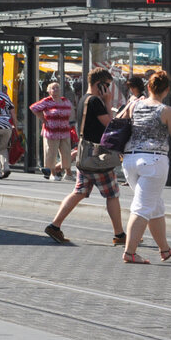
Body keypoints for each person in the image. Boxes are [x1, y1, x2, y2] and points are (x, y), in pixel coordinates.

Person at [44, 68, 125, 246]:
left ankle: (55, 225)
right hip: (98, 157)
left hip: (84, 155)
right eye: (108, 86)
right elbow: (109, 126)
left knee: (79, 192)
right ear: (100, 84)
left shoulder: (84, 99)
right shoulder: (96, 101)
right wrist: (108, 101)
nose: (109, 90)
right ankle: (119, 234)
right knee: (112, 194)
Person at [120, 71, 171, 264]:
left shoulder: (135, 104)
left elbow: (119, 120)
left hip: (129, 161)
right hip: (153, 162)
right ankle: (129, 252)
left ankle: (165, 250)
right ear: (167, 90)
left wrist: (131, 103)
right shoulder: (167, 111)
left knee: (154, 205)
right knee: (142, 207)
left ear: (148, 87)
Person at [30, 82, 74, 181]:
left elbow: (71, 112)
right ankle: (53, 173)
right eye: (53, 88)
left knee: (66, 152)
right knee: (51, 152)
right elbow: (34, 108)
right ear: (49, 91)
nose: (56, 90)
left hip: (64, 130)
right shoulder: (47, 101)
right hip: (51, 131)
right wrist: (42, 118)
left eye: (57, 88)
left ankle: (68, 173)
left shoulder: (65, 101)